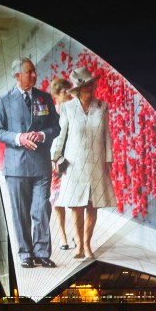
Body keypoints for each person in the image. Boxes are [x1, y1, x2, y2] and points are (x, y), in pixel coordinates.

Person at [0, 57, 61, 269]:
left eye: (34, 71)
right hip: (16, 166)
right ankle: (25, 253)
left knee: (41, 210)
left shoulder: (45, 98)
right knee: (20, 212)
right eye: (29, 72)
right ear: (17, 76)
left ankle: (41, 252)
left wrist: (41, 134)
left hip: (41, 165)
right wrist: (19, 138)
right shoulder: (4, 101)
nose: (34, 75)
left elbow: (55, 128)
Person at [50, 65, 116, 260]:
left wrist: (108, 160)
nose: (90, 87)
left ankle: (87, 245)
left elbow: (107, 135)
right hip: (74, 164)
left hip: (96, 162)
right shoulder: (68, 108)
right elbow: (60, 135)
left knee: (92, 205)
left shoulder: (101, 107)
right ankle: (79, 245)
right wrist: (55, 156)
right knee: (76, 205)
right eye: (86, 85)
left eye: (91, 84)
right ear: (77, 89)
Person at [48, 76, 74, 251]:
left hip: (72, 158)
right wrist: (54, 158)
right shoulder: (53, 113)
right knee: (58, 199)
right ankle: (64, 236)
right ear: (60, 93)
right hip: (57, 159)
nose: (70, 94)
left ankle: (71, 234)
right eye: (67, 91)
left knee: (73, 197)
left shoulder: (73, 110)